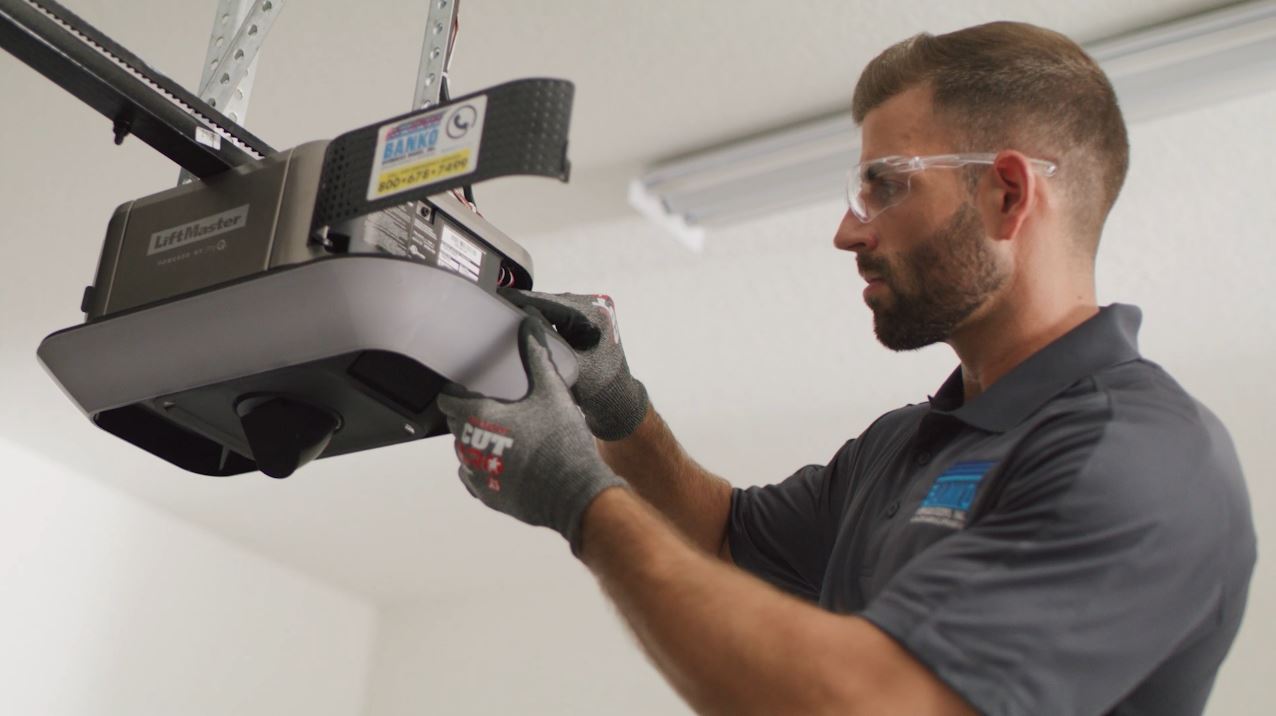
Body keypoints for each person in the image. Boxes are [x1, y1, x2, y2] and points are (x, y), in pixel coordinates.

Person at [437, 20, 1256, 716]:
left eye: (883, 186)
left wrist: (578, 500)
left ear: (1008, 195)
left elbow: (876, 703)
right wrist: (614, 409)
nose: (847, 232)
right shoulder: (908, 447)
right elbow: (722, 538)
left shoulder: (1138, 455)